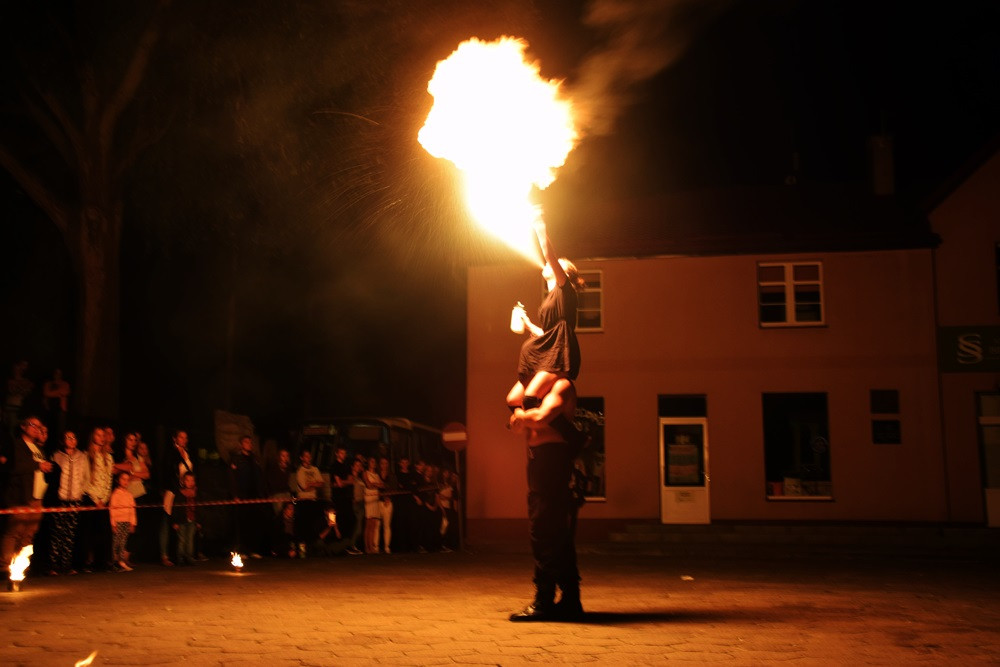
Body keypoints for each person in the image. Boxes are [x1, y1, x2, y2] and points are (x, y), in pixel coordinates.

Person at [507, 377, 584, 622]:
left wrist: (521, 417)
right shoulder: (536, 388)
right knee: (551, 531)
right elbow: (513, 401)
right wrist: (522, 415)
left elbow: (541, 418)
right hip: (539, 460)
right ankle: (569, 600)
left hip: (553, 460)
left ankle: (545, 599)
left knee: (545, 530)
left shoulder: (562, 385)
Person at [506, 221, 585, 418]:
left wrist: (539, 224)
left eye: (557, 264)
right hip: (543, 353)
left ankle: (555, 432)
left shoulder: (565, 290)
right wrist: (527, 323)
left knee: (530, 398)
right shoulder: (550, 299)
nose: (550, 263)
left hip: (557, 354)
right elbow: (547, 333)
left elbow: (549, 254)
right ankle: (529, 424)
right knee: (513, 401)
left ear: (564, 274)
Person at [1, 415, 53, 574]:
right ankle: (4, 566)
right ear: (23, 426)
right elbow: (15, 467)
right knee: (15, 532)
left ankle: (20, 567)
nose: (36, 428)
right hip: (21, 495)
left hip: (37, 497)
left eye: (39, 426)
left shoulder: (39, 449)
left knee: (29, 534)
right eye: (33, 425)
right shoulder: (17, 445)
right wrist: (38, 465)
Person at [48, 430, 89, 575]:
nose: (71, 440)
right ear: (63, 440)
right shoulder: (57, 456)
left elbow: (85, 477)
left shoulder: (82, 457)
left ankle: (66, 564)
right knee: (57, 532)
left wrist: (80, 493)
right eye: (68, 437)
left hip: (75, 500)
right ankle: (54, 565)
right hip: (61, 499)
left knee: (70, 534)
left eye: (74, 437)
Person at [81, 428, 114, 572]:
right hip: (90, 498)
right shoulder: (86, 455)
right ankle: (86, 561)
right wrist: (95, 499)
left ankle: (102, 562)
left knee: (103, 532)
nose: (102, 437)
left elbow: (108, 480)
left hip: (103, 499)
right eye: (98, 435)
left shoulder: (108, 457)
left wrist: (105, 498)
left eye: (103, 435)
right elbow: (85, 480)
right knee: (89, 532)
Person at [160, 429, 194, 566]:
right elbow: (167, 471)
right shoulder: (171, 453)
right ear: (175, 438)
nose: (183, 439)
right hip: (173, 491)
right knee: (167, 522)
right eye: (181, 437)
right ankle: (164, 555)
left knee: (183, 522)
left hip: (186, 493)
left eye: (185, 437)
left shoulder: (188, 453)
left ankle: (182, 554)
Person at [229, 435, 264, 557]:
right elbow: (232, 478)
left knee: (252, 523)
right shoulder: (236, 459)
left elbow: (259, 477)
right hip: (242, 495)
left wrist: (260, 494)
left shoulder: (255, 459)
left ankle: (251, 549)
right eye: (246, 442)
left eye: (250, 442)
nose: (249, 444)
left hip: (253, 496)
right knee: (241, 524)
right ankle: (240, 550)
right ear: (241, 445)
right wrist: (235, 495)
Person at [294, 449, 325, 553]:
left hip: (313, 500)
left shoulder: (315, 469)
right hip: (303, 501)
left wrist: (311, 484)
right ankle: (302, 548)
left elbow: (321, 483)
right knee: (303, 526)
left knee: (313, 526)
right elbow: (304, 487)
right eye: (306, 456)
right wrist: (314, 483)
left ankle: (312, 548)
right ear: (302, 458)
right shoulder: (300, 471)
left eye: (309, 456)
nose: (308, 458)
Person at [108, 471, 137, 571]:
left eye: (127, 480)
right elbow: (112, 509)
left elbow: (132, 509)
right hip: (118, 522)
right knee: (116, 542)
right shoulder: (115, 494)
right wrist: (113, 523)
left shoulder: (129, 495)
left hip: (127, 522)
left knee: (123, 542)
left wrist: (133, 523)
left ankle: (121, 561)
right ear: (118, 480)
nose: (125, 482)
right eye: (123, 479)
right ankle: (115, 562)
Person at [172, 472, 199, 565]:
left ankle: (189, 557)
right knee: (181, 539)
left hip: (192, 520)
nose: (190, 482)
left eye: (192, 480)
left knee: (190, 539)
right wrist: (175, 522)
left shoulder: (196, 493)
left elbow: (199, 508)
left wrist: (199, 521)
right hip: (181, 520)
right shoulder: (179, 493)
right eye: (187, 480)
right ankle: (180, 557)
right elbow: (175, 508)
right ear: (183, 481)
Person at [41, 368, 70, 438]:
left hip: (61, 410)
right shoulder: (48, 383)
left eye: (59, 373)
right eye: (56, 373)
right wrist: (59, 393)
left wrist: (52, 393)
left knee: (60, 430)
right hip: (49, 410)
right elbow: (46, 393)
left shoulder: (65, 384)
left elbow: (65, 392)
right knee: (49, 429)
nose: (58, 375)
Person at [377, 457, 397, 554]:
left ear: (388, 465)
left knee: (387, 525)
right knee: (377, 525)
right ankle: (375, 547)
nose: (384, 465)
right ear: (379, 464)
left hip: (388, 503)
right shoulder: (376, 475)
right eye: (382, 463)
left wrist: (388, 498)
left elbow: (394, 488)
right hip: (378, 502)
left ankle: (386, 547)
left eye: (385, 463)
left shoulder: (392, 476)